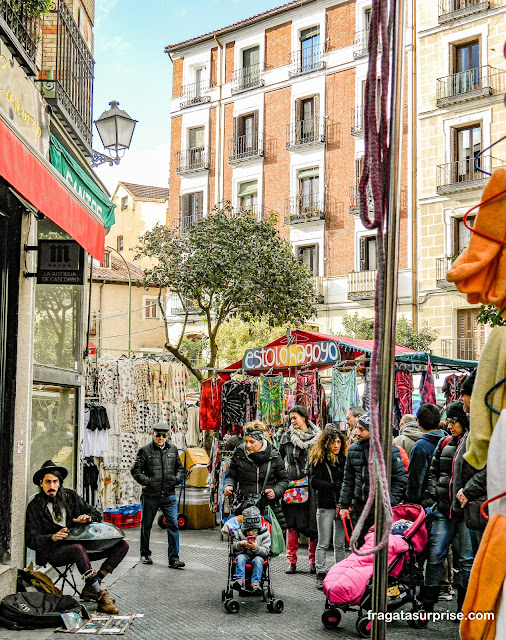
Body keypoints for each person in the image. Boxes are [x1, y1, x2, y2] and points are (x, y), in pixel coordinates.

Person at [25, 460, 128, 613]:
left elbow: (96, 513)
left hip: (78, 549)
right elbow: (30, 540)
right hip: (53, 551)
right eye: (48, 482)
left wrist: (88, 518)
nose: (52, 486)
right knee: (77, 549)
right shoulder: (34, 506)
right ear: (41, 483)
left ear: (60, 483)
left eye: (55, 482)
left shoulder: (70, 497)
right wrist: (51, 537)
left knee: (123, 545)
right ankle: (100, 594)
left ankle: (93, 585)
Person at [420, 401, 474, 615]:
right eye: (449, 422)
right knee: (435, 556)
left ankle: (464, 608)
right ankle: (427, 605)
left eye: (453, 422)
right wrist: (434, 499)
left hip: (465, 513)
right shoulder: (444, 443)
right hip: (443, 510)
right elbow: (433, 473)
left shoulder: (474, 446)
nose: (450, 426)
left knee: (467, 561)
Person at [339, 412, 407, 548]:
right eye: (357, 428)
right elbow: (348, 480)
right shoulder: (353, 451)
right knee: (360, 546)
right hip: (360, 508)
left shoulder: (389, 451)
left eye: (362, 429)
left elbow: (399, 480)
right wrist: (344, 505)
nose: (357, 432)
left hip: (380, 509)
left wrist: (390, 503)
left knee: (378, 547)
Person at [131, 423, 185, 568]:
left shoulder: (173, 449)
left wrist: (176, 479)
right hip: (151, 495)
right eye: (158, 435)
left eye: (164, 435)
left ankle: (174, 558)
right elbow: (135, 470)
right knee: (146, 525)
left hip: (168, 494)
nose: (161, 438)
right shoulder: (144, 450)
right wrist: (148, 482)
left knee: (173, 524)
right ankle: (145, 553)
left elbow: (180, 468)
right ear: (152, 434)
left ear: (167, 436)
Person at [279, 405, 321, 574]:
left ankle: (313, 561)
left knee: (313, 524)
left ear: (304, 417)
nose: (292, 421)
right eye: (291, 418)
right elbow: (279, 459)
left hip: (312, 487)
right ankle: (292, 561)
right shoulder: (286, 437)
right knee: (292, 524)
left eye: (295, 417)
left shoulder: (318, 438)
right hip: (293, 484)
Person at [224, 422, 288, 531]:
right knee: (243, 543)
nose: (248, 445)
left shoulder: (274, 455)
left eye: (252, 442)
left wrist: (275, 492)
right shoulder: (239, 454)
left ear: (261, 440)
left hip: (268, 508)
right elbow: (231, 476)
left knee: (268, 544)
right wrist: (229, 485)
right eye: (246, 441)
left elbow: (284, 480)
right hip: (244, 507)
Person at [309, 425, 347, 589]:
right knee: (323, 541)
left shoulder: (344, 460)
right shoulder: (319, 460)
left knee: (339, 542)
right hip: (325, 504)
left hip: (340, 505)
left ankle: (340, 572)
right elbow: (314, 482)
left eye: (338, 442)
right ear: (326, 444)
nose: (336, 445)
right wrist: (334, 486)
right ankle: (321, 572)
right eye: (333, 442)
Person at [453, 373, 486, 555]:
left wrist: (468, 490)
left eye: (464, 395)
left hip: (483, 507)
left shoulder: (488, 424)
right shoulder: (476, 425)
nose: (462, 400)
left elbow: (494, 467)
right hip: (475, 508)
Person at [407, 403, 446, 504]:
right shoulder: (448, 441)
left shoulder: (420, 447)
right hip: (445, 501)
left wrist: (412, 501)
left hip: (427, 502)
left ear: (418, 423)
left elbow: (415, 479)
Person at [232, 506, 271, 595]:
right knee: (240, 558)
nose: (250, 533)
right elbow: (233, 547)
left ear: (258, 528)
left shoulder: (265, 534)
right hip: (244, 555)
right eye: (248, 530)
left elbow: (266, 551)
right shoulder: (239, 533)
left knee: (258, 561)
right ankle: (239, 580)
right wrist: (240, 544)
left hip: (258, 556)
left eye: (253, 530)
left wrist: (256, 548)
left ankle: (255, 583)